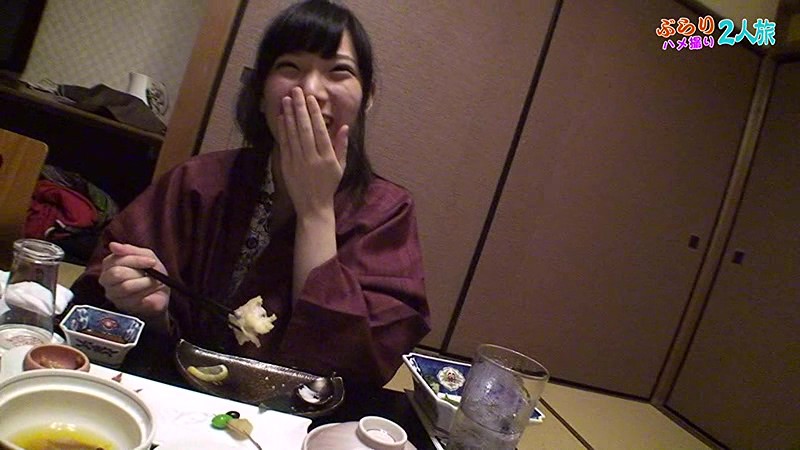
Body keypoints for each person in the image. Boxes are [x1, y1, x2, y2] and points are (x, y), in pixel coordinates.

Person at [70, 0, 430, 386]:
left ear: (367, 97)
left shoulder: (387, 212)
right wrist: (145, 304)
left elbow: (359, 362)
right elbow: (102, 289)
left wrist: (316, 209)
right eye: (289, 67)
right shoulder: (199, 181)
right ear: (260, 93)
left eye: (338, 71)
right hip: (175, 391)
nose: (310, 90)